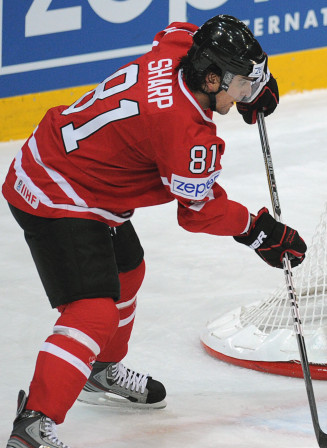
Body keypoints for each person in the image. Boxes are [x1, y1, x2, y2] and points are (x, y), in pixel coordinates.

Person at [3, 15, 306, 448]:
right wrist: (257, 231)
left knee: (129, 270)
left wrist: (251, 87)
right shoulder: (185, 132)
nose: (248, 93)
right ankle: (33, 425)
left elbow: (179, 30)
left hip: (83, 180)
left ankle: (98, 370)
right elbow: (198, 212)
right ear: (213, 77)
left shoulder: (182, 49)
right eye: (242, 84)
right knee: (93, 313)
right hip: (57, 192)